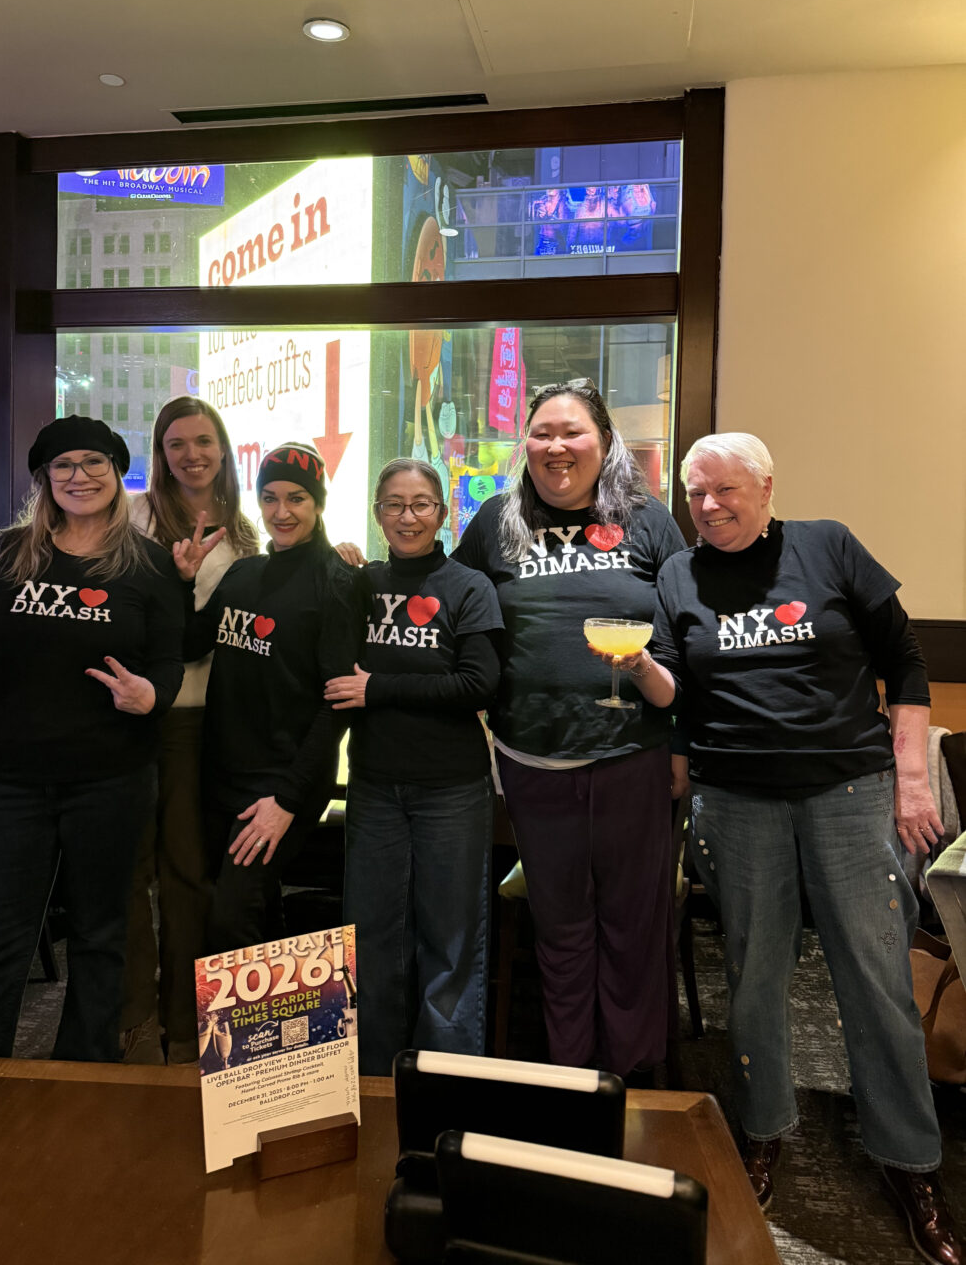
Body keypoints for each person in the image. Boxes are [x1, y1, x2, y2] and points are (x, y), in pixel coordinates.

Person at [623, 432, 962, 1263]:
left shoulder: (828, 545)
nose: (708, 506)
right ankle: (765, 1130)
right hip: (735, 801)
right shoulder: (678, 576)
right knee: (755, 977)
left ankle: (909, 1161)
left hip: (847, 793)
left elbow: (906, 662)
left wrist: (912, 779)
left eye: (725, 490)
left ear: (767, 486)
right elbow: (672, 685)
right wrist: (634, 666)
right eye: (695, 493)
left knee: (875, 978)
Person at [0, 416, 185, 1062]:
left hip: (111, 778)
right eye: (63, 465)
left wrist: (151, 694)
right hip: (10, 778)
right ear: (44, 479)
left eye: (94, 462)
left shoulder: (149, 565)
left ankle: (85, 1079)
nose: (79, 476)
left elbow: (169, 663)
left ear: (117, 473)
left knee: (99, 935)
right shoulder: (11, 553)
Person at [452, 379, 687, 1078]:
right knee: (561, 932)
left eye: (572, 431)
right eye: (542, 432)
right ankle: (572, 1082)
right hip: (534, 761)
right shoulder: (497, 520)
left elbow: (684, 638)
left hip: (634, 758)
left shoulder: (647, 519)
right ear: (524, 444)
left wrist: (679, 745)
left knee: (634, 932)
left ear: (605, 442)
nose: (556, 446)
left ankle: (636, 1089)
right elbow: (450, 606)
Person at [324, 458, 503, 1075]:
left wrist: (380, 688)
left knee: (450, 944)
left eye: (421, 504)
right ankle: (372, 1077)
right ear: (377, 515)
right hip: (374, 786)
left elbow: (479, 684)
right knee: (370, 938)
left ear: (441, 513)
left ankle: (446, 1082)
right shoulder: (361, 583)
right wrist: (333, 556)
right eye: (394, 505)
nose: (408, 516)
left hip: (452, 789)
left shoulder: (467, 586)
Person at [180, 442, 362, 952]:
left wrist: (287, 800)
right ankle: (298, 1033)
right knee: (253, 914)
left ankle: (252, 1035)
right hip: (220, 779)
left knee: (230, 920)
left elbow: (337, 703)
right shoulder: (242, 573)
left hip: (281, 785)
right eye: (270, 497)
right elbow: (191, 643)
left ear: (319, 503)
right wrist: (185, 581)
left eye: (297, 498)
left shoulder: (337, 581)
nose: (282, 512)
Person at [121, 396, 259, 1066]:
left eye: (203, 440)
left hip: (214, 722)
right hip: (155, 716)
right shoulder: (137, 516)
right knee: (140, 870)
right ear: (161, 452)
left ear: (223, 448)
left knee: (188, 874)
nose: (191, 454)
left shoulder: (242, 527)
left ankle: (184, 1028)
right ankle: (142, 1025)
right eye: (177, 443)